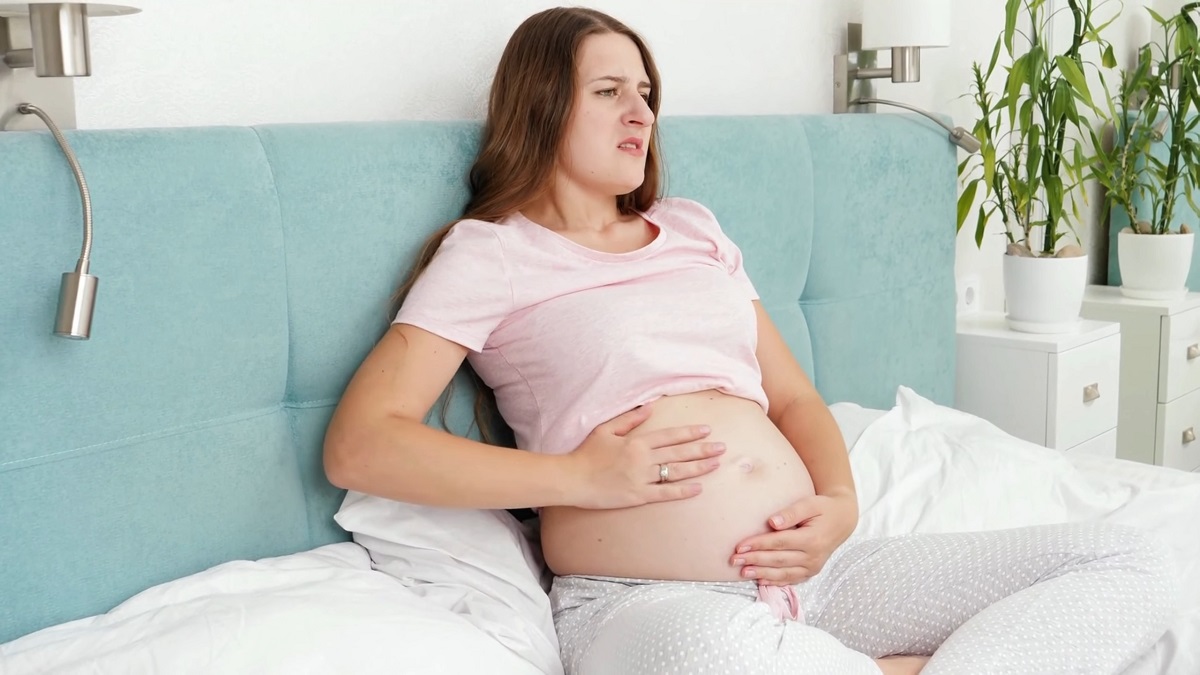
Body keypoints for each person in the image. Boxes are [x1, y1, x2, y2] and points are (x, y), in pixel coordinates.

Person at [323, 7, 1178, 674]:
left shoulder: (692, 229)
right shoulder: (494, 253)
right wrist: (576, 476)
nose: (642, 112)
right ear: (542, 103)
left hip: (818, 578)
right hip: (646, 605)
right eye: (609, 90)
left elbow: (795, 398)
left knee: (1128, 557)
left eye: (648, 92)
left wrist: (839, 504)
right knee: (725, 659)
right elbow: (362, 443)